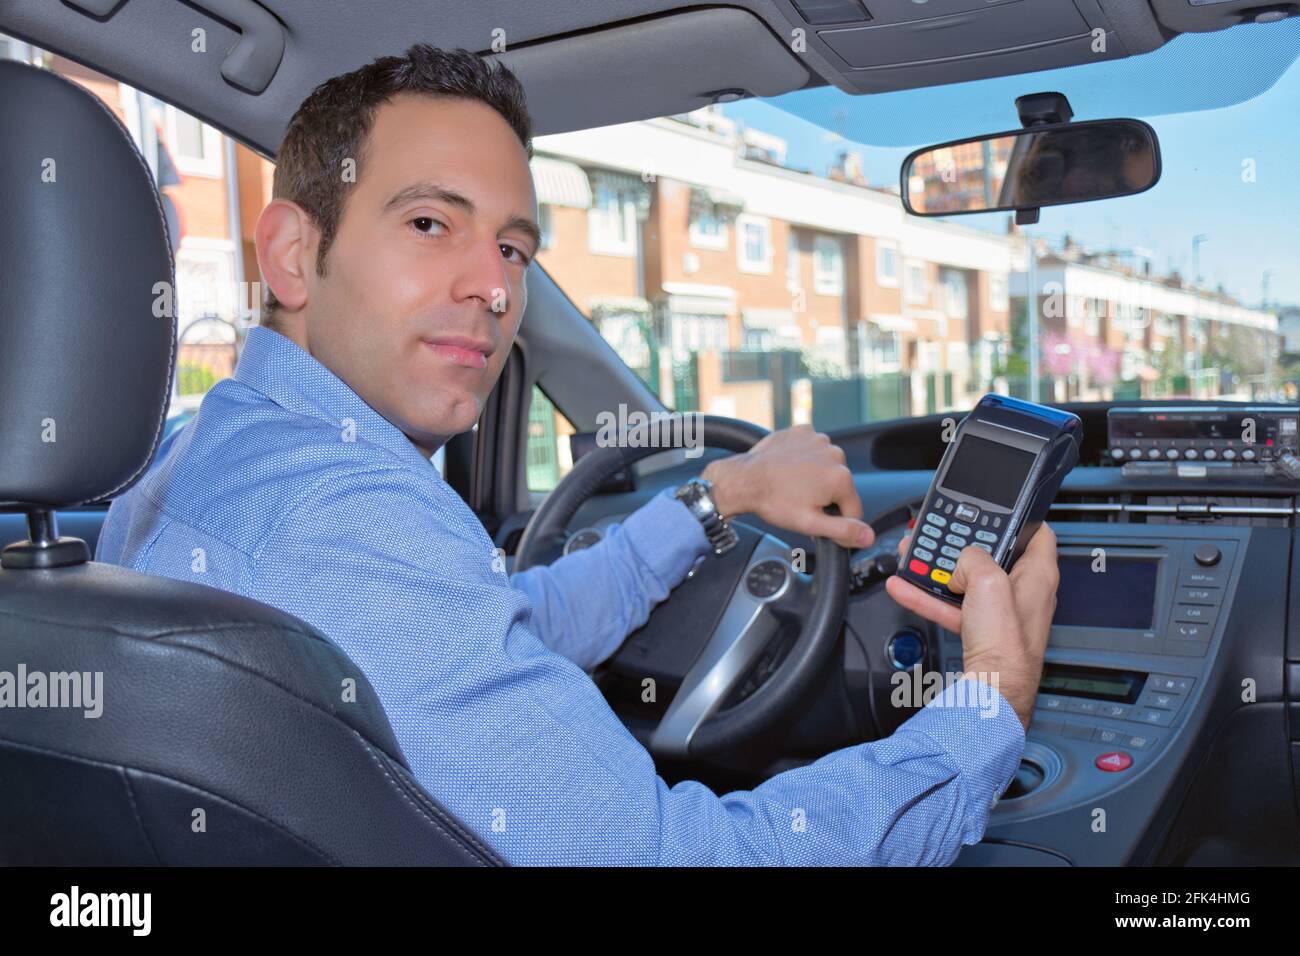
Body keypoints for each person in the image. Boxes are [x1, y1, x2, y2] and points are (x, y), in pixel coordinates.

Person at [97, 44, 1058, 865]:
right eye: (431, 223)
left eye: (513, 248)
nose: (495, 288)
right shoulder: (345, 520)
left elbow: (514, 633)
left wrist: (716, 496)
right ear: (294, 254)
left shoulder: (210, 457)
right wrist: (985, 706)